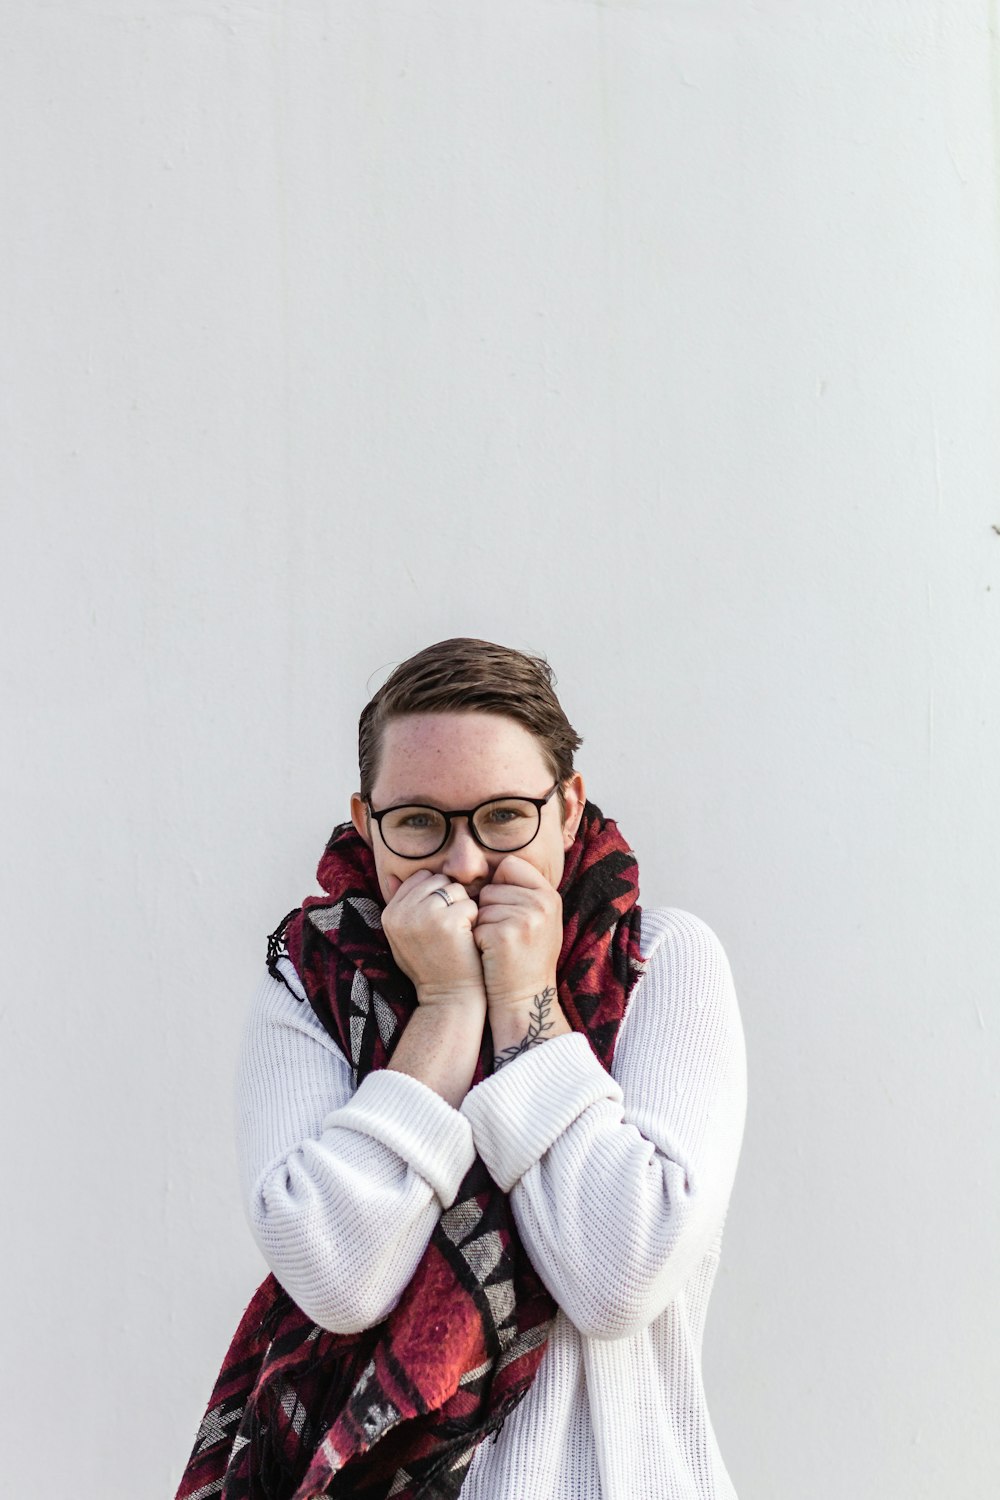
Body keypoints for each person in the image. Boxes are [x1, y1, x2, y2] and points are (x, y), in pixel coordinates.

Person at [175, 638, 747, 1500]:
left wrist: (524, 1002)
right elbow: (338, 1277)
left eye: (504, 816)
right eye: (418, 823)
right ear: (367, 823)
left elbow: (619, 1274)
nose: (465, 862)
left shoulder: (660, 963)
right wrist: (445, 1009)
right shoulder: (311, 984)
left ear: (567, 807)